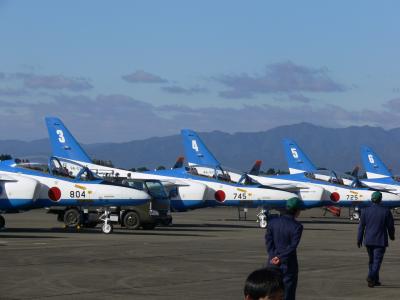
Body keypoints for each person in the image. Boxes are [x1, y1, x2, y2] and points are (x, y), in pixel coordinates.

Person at [265, 197, 303, 300]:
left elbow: (269, 242)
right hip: (288, 264)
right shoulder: (297, 226)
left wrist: (273, 256)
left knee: (271, 292)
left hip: (272, 262)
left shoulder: (273, 222)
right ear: (297, 211)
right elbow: (292, 246)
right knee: (287, 293)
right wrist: (281, 258)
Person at [357, 191, 395, 287]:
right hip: (380, 241)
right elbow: (390, 226)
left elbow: (361, 227)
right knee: (377, 261)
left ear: (371, 199)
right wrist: (392, 236)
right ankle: (371, 276)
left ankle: (374, 281)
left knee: (371, 261)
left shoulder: (365, 211)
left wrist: (359, 239)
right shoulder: (386, 211)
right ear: (380, 199)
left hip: (368, 240)